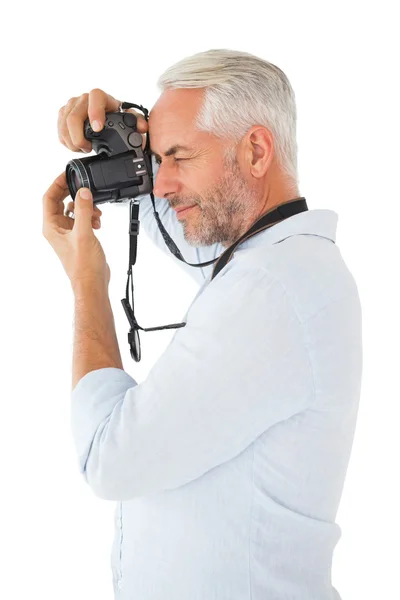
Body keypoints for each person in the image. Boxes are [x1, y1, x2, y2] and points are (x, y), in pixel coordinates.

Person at [42, 49, 363, 599]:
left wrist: (86, 282)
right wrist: (132, 147)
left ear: (256, 151)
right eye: (159, 162)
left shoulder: (270, 290)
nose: (161, 185)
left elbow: (109, 459)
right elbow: (197, 229)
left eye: (179, 157)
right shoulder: (275, 267)